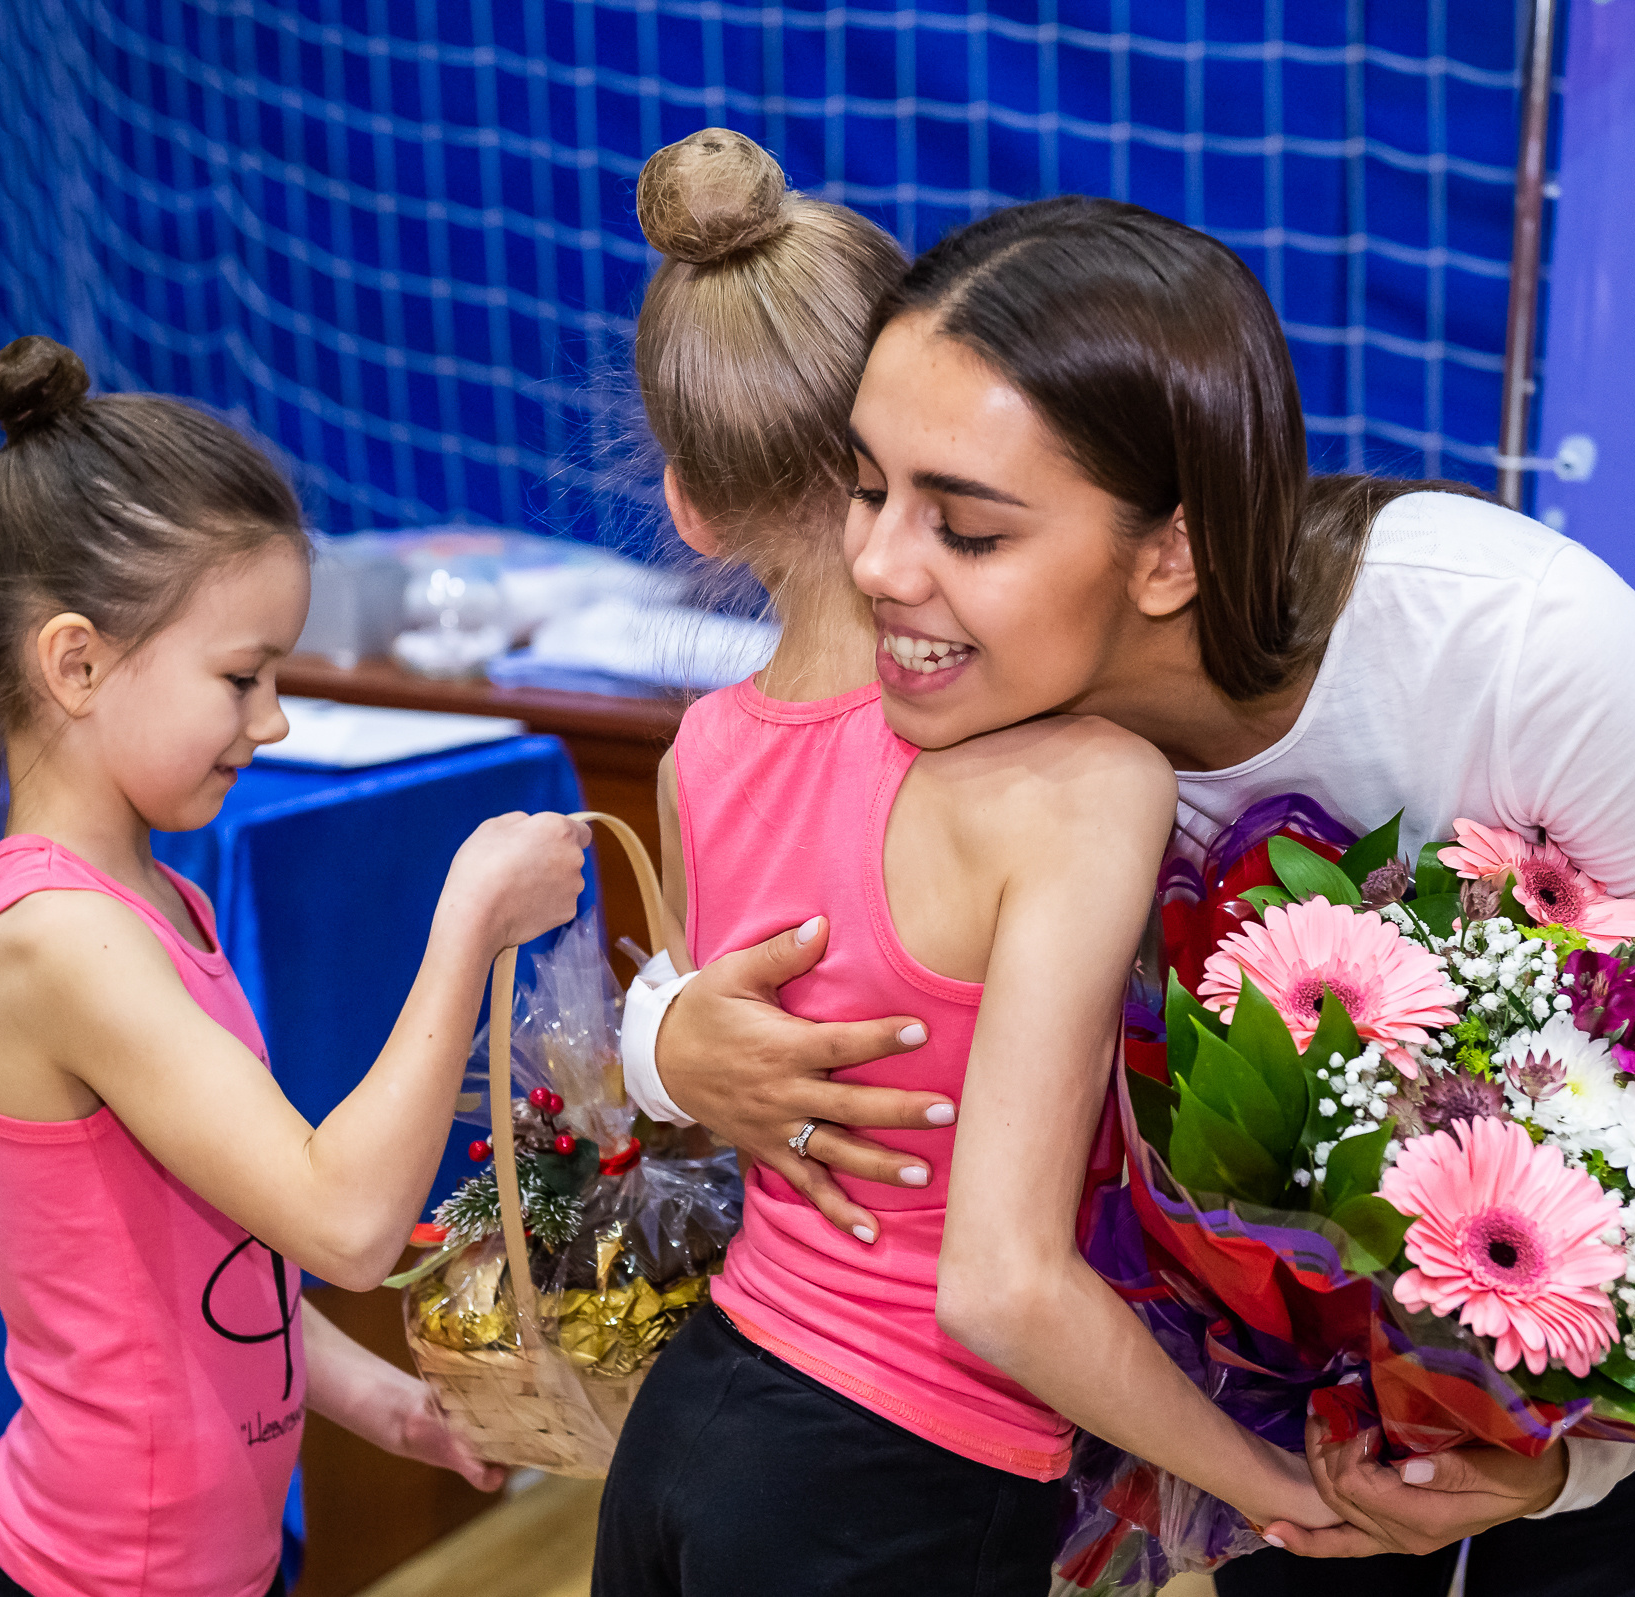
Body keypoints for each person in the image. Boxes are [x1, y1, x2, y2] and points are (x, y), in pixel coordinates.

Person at [619, 197, 1635, 1596]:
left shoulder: (1515, 654)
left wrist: (1559, 1461)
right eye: (863, 489)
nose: (876, 566)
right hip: (1284, 1382)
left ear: (1172, 553)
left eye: (964, 528)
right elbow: (796, 856)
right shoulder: (976, 703)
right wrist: (668, 1040)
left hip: (1604, 1394)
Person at [589, 132, 1341, 1597]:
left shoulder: (699, 753)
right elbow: (1001, 1285)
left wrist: (660, 1051)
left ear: (691, 502)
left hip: (693, 1427)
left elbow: (717, 1095)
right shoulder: (1077, 783)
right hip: (891, 1481)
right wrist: (1274, 1488)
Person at [0, 337, 592, 1597]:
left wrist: (383, 1402)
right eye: (240, 677)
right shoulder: (57, 943)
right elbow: (343, 1223)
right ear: (76, 664)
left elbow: (211, 1271)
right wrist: (466, 926)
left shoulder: (162, 902)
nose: (273, 717)